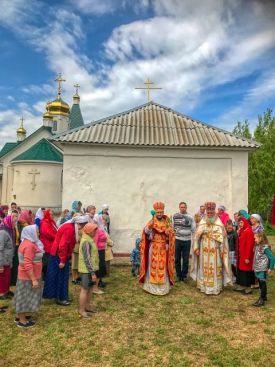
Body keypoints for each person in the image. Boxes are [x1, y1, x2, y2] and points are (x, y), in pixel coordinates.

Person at [43, 214, 89, 305]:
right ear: (80, 224)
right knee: (60, 277)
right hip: (58, 256)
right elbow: (63, 245)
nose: (84, 228)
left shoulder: (72, 227)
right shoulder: (70, 228)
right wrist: (63, 260)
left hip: (60, 255)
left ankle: (62, 296)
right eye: (84, 225)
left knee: (63, 277)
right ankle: (60, 298)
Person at [190, 202, 232, 295]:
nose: (209, 214)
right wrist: (196, 248)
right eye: (208, 212)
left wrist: (222, 250)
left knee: (215, 268)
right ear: (206, 212)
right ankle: (204, 286)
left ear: (214, 212)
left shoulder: (219, 223)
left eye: (211, 212)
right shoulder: (202, 222)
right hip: (203, 249)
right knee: (203, 267)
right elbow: (196, 236)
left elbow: (223, 239)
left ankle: (214, 288)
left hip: (215, 250)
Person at [139, 202, 175, 296]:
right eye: (158, 212)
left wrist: (168, 233)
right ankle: (151, 288)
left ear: (163, 212)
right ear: (155, 212)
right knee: (153, 266)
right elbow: (146, 233)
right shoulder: (152, 221)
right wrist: (149, 228)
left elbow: (172, 233)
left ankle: (163, 288)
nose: (159, 214)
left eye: (161, 212)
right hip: (154, 247)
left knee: (162, 266)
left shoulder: (167, 221)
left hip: (163, 247)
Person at [13, 225, 44, 328]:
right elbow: (27, 264)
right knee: (25, 297)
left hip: (25, 276)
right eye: (37, 231)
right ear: (31, 232)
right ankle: (22, 321)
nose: (39, 233)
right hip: (28, 277)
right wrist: (34, 279)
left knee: (23, 295)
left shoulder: (26, 242)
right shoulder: (29, 245)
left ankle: (20, 316)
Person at [78, 222, 98, 318]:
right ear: (89, 231)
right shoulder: (86, 241)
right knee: (85, 290)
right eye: (94, 230)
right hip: (87, 270)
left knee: (89, 289)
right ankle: (81, 310)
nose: (95, 232)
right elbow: (87, 259)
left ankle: (87, 307)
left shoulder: (89, 239)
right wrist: (92, 273)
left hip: (90, 270)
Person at [173, 202, 195, 282]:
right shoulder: (175, 216)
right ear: (179, 207)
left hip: (187, 241)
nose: (183, 208)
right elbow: (172, 228)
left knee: (186, 259)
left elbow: (193, 229)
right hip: (177, 240)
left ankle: (184, 275)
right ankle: (179, 276)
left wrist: (195, 240)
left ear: (186, 208)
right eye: (181, 207)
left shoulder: (190, 217)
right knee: (177, 259)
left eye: (184, 207)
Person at [252, 232, 275, 307]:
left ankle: (261, 299)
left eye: (255, 238)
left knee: (262, 283)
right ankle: (264, 296)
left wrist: (270, 268)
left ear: (261, 238)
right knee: (260, 282)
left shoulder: (265, 247)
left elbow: (272, 258)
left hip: (262, 268)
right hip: (258, 268)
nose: (254, 239)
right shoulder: (258, 246)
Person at [235, 217, 255, 294]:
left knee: (246, 271)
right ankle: (241, 285)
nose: (240, 224)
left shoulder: (249, 231)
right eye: (239, 223)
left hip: (246, 256)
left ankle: (248, 288)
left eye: (241, 223)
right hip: (241, 255)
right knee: (241, 270)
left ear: (245, 222)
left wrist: (247, 257)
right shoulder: (242, 231)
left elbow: (249, 245)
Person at [0, 215, 17, 300]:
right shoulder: (3, 232)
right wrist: (0, 264)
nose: (15, 224)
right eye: (13, 222)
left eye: (15, 222)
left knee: (7, 276)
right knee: (2, 277)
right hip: (3, 260)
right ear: (9, 222)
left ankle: (6, 290)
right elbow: (0, 248)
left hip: (8, 259)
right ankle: (1, 293)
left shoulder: (10, 231)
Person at [40, 209, 58, 279]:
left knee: (51, 262)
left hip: (52, 245)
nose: (52, 216)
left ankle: (50, 275)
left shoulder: (52, 222)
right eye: (50, 214)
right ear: (47, 214)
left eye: (53, 214)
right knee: (47, 262)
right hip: (47, 245)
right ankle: (46, 277)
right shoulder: (44, 223)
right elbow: (48, 234)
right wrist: (57, 236)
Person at [93, 226, 107, 294]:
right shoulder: (96, 230)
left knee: (100, 269)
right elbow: (95, 242)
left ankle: (96, 286)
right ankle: (95, 288)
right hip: (98, 252)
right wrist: (96, 254)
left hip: (101, 251)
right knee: (98, 269)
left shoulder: (100, 229)